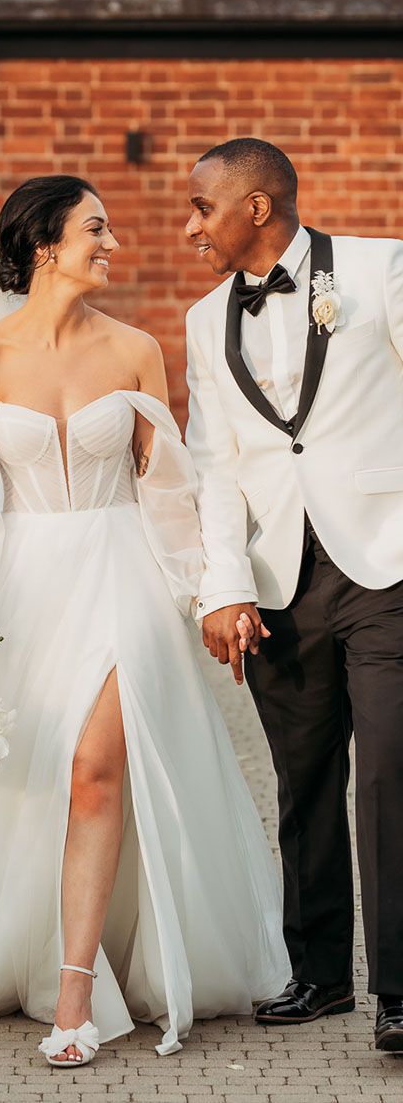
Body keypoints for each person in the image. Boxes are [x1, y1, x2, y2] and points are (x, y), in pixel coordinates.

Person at [0, 175, 289, 1066]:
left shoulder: (137, 350)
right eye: (96, 228)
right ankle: (28, 947)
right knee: (35, 784)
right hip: (21, 587)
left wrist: (208, 590)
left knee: (98, 768)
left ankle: (74, 995)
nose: (115, 244)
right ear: (42, 246)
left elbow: (170, 491)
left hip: (120, 573)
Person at [184, 136, 403, 1053]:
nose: (191, 227)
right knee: (304, 783)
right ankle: (319, 977)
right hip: (277, 584)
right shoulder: (203, 320)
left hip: (385, 564)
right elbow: (214, 463)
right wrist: (223, 590)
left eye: (202, 209)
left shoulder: (379, 267)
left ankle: (399, 993)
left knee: (390, 778)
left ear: (257, 207)